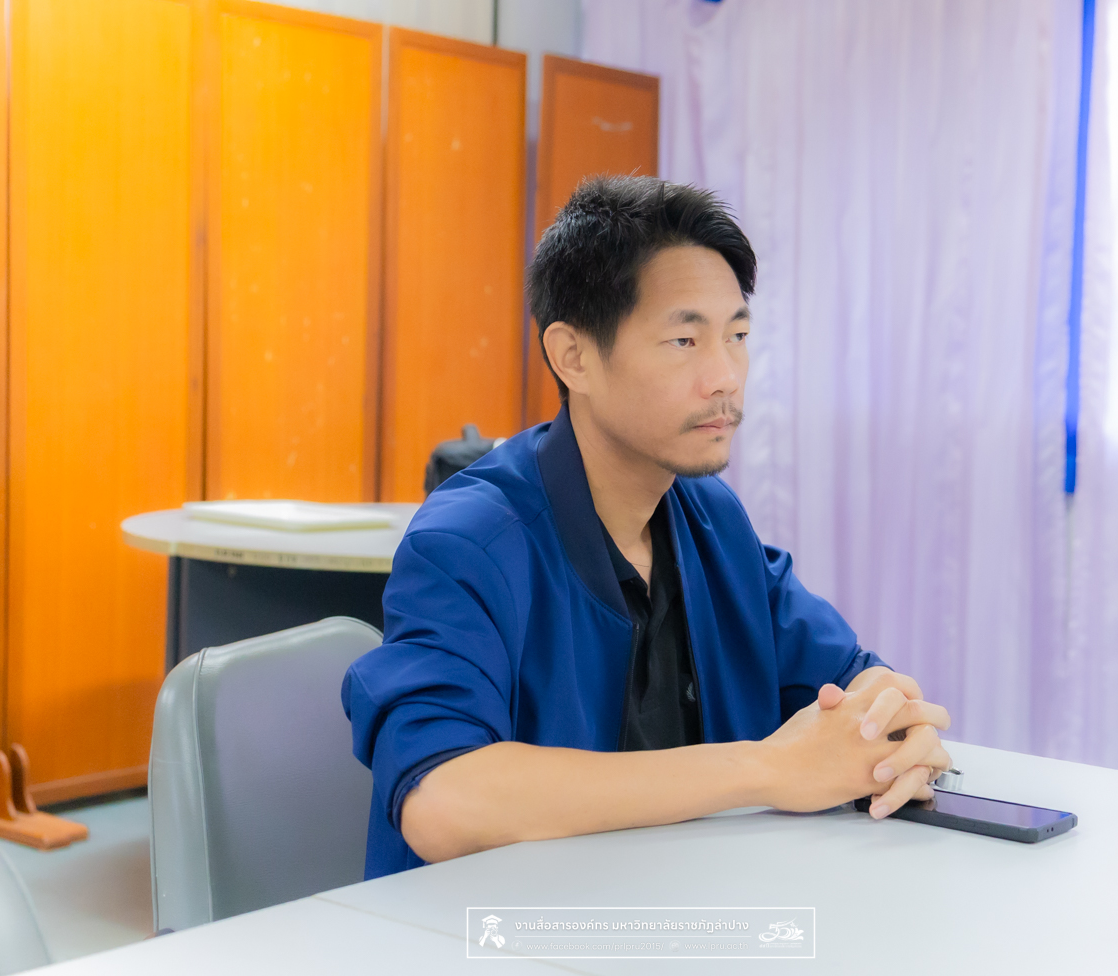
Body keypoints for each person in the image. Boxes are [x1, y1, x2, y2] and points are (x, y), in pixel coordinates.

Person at [342, 176, 952, 878]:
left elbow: (852, 684)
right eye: (684, 340)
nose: (725, 376)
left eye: (738, 336)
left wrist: (893, 729)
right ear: (573, 357)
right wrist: (766, 768)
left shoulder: (710, 516)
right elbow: (443, 800)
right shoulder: (467, 543)